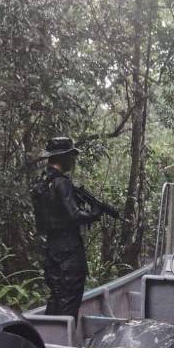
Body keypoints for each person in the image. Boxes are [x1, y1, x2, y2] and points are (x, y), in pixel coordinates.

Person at [31, 136, 101, 320]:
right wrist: (94, 214)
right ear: (62, 157)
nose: (73, 160)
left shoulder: (41, 182)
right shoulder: (62, 183)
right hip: (68, 250)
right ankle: (65, 336)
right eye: (70, 156)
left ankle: (49, 335)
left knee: (56, 296)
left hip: (51, 249)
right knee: (69, 299)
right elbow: (74, 215)